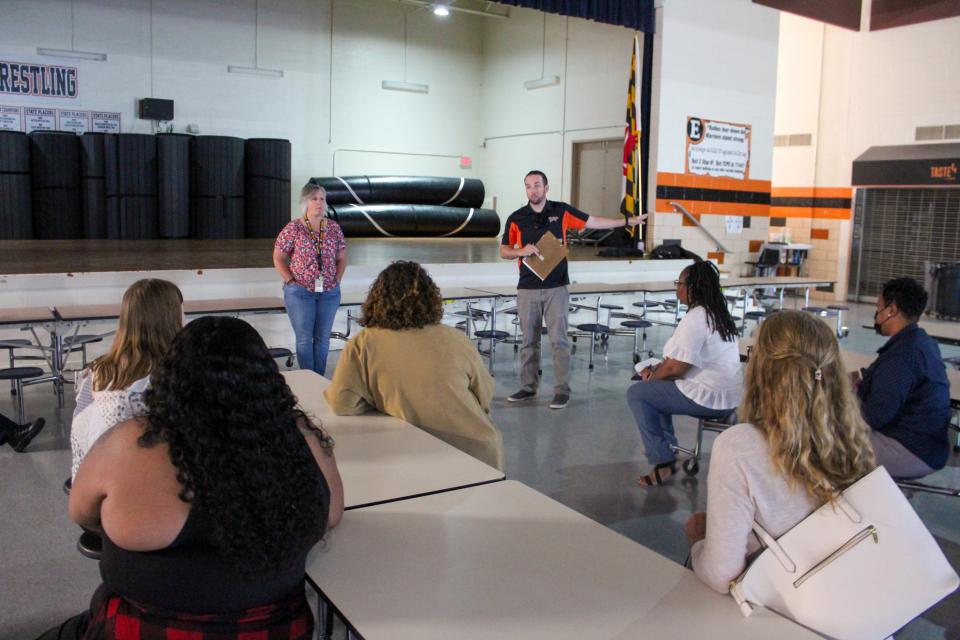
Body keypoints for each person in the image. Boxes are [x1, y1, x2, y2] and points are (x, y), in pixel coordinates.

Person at [45, 316, 344, 640]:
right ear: (266, 378)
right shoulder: (297, 438)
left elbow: (81, 513)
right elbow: (333, 512)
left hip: (142, 628)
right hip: (276, 629)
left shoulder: (128, 443)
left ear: (170, 377)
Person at [685, 310, 875, 594]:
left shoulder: (740, 447)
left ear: (763, 371)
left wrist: (699, 541)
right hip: (853, 604)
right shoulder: (851, 439)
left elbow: (721, 575)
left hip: (789, 610)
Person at [325, 261, 504, 469]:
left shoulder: (363, 343)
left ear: (376, 299)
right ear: (431, 299)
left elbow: (342, 403)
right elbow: (485, 395)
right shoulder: (456, 338)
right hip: (481, 451)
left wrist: (380, 400)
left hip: (421, 456)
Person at [500, 170, 645, 410]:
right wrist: (520, 251)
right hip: (527, 287)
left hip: (556, 287)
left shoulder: (561, 211)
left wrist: (627, 222)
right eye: (528, 186)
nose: (532, 190)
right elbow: (504, 250)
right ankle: (528, 387)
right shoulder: (517, 218)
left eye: (537, 185)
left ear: (547, 188)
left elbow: (593, 221)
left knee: (559, 341)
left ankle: (562, 391)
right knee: (528, 341)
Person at [627, 261, 741, 486]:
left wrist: (652, 376)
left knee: (638, 394)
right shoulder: (717, 313)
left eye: (679, 283)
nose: (676, 288)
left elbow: (676, 368)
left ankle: (664, 461)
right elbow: (679, 363)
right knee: (655, 391)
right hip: (728, 396)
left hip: (710, 396)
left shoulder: (697, 316)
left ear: (693, 287)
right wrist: (659, 374)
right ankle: (666, 454)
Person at [70, 278, 184, 479]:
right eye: (182, 312)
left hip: (91, 481)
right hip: (148, 485)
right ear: (170, 320)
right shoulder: (173, 373)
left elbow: (81, 434)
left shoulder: (98, 372)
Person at [852, 277, 951, 478]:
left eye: (879, 307)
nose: (876, 314)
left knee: (826, 444)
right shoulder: (918, 340)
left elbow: (876, 415)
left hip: (912, 448)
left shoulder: (904, 355)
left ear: (892, 310)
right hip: (927, 442)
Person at [274, 183, 347, 375]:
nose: (319, 203)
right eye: (314, 199)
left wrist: (337, 280)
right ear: (305, 202)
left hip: (329, 292)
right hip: (300, 292)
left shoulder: (333, 228)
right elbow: (278, 258)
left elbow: (341, 258)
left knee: (323, 338)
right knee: (305, 338)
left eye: (322, 199)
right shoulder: (294, 228)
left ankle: (319, 378)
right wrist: (290, 281)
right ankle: (308, 377)